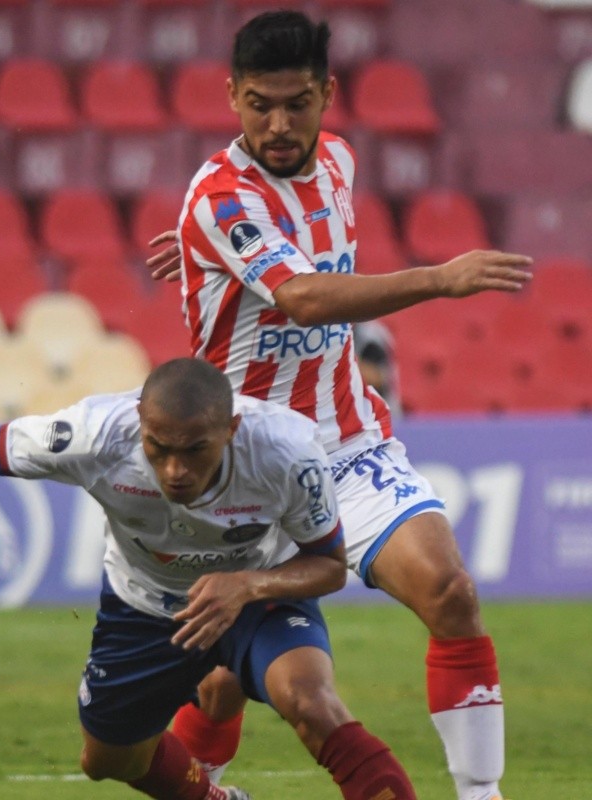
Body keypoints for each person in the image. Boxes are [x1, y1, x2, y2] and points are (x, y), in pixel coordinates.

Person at [145, 11, 533, 800]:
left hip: (348, 442)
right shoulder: (221, 199)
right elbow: (304, 296)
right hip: (241, 463)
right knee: (220, 682)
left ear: (329, 93)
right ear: (231, 97)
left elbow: (298, 256)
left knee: (452, 592)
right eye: (259, 104)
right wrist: (439, 277)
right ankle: (202, 789)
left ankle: (482, 796)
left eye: (296, 103)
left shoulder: (340, 166)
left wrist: (197, 250)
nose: (278, 124)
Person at [0, 358, 419, 800]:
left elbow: (328, 564)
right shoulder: (94, 434)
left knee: (312, 703)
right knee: (107, 759)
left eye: (196, 451)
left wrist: (247, 585)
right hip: (143, 607)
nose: (175, 470)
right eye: (159, 448)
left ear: (232, 429)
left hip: (256, 596)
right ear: (139, 421)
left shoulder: (287, 452)